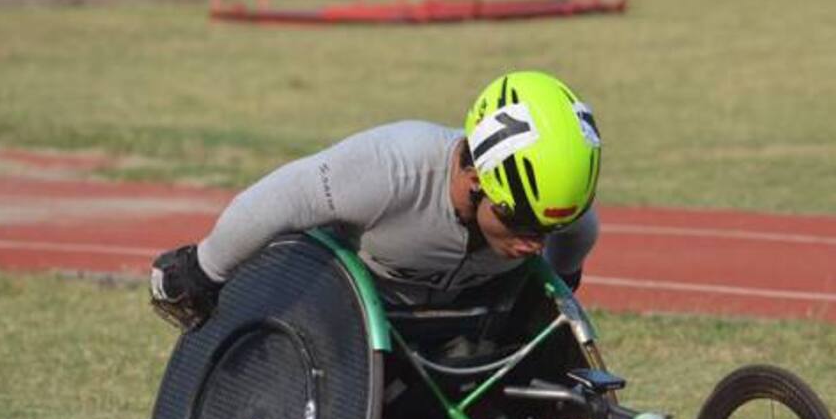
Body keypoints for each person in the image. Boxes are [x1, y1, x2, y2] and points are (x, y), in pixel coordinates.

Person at [150, 70, 603, 330]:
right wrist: (202, 268)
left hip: (451, 332)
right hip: (333, 315)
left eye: (549, 229)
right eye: (521, 223)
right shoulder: (389, 170)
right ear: (474, 177)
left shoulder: (571, 227)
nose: (535, 244)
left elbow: (558, 274)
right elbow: (278, 199)